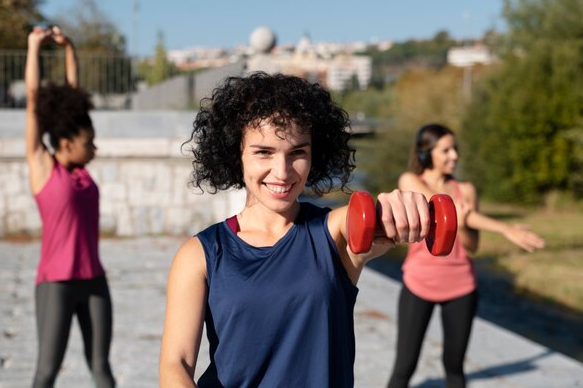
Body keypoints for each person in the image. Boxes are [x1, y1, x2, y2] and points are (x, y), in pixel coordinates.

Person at [158, 72, 435, 387]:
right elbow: (175, 364)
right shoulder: (200, 254)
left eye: (297, 153)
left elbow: (367, 215)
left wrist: (400, 208)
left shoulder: (334, 236)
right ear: (238, 153)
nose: (282, 172)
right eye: (264, 152)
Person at [387, 123, 545, 388]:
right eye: (446, 150)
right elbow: (445, 209)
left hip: (461, 287)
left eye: (456, 149)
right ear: (427, 152)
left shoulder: (467, 190)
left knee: (454, 367)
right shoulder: (411, 182)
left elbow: (472, 246)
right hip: (419, 283)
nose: (454, 156)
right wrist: (505, 228)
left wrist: (463, 224)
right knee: (404, 366)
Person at [25, 25, 116, 388]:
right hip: (56, 284)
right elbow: (34, 102)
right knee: (46, 373)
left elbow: (73, 97)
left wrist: (69, 50)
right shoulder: (43, 168)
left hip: (94, 279)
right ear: (64, 142)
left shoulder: (81, 174)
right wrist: (34, 47)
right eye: (89, 143)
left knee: (102, 371)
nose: (95, 148)